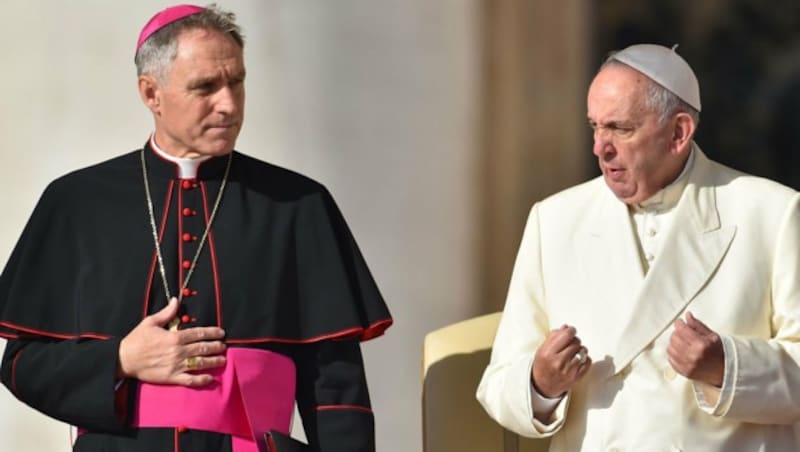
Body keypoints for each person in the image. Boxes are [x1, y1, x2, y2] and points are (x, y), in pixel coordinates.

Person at [0, 4, 391, 452]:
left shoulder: (299, 205)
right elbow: (22, 366)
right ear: (152, 93)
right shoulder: (77, 202)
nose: (228, 104)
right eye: (205, 87)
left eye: (237, 82)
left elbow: (337, 390)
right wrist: (121, 359)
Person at [476, 43, 800, 451]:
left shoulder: (773, 212)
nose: (600, 147)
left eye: (620, 128)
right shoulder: (554, 220)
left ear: (678, 132)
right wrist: (540, 382)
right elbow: (498, 383)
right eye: (594, 126)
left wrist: (729, 367)